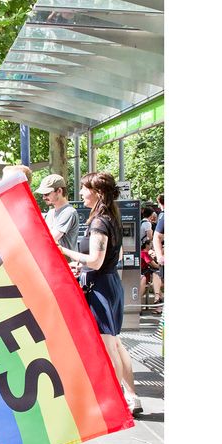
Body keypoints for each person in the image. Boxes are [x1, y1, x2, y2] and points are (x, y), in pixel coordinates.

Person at [60, 172, 142, 415]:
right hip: (108, 284)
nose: (81, 194)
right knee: (116, 343)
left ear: (97, 192)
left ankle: (115, 400)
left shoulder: (98, 222)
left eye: (85, 189)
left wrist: (66, 252)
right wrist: (82, 265)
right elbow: (100, 261)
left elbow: (95, 261)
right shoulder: (109, 217)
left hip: (100, 288)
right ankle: (131, 397)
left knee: (108, 345)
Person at [36, 173, 79, 252]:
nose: (44, 197)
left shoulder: (69, 212)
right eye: (43, 194)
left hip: (67, 263)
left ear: (59, 191)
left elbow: (51, 239)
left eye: (46, 194)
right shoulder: (51, 212)